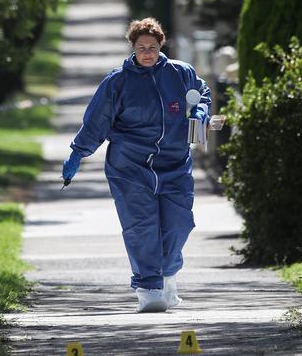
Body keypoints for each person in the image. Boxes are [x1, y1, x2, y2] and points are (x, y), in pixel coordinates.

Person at [62, 16, 211, 313]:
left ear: (161, 45)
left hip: (175, 163)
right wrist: (78, 153)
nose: (147, 52)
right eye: (141, 47)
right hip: (130, 166)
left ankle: (167, 278)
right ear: (132, 47)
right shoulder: (118, 82)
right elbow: (96, 121)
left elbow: (201, 92)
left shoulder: (180, 73)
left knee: (179, 223)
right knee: (142, 226)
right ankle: (148, 288)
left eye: (152, 47)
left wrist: (202, 112)